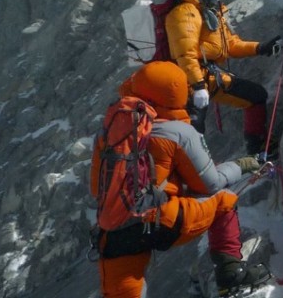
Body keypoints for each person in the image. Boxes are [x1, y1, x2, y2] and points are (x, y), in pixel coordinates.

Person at [91, 61, 270, 298]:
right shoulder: (178, 132)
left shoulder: (110, 130)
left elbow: (97, 188)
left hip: (113, 228)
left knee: (122, 293)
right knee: (223, 199)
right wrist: (243, 164)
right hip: (160, 220)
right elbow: (210, 184)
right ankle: (230, 274)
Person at [165, 0, 283, 158]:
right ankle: (189, 170)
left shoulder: (212, 13)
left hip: (209, 77)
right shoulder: (186, 11)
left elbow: (230, 45)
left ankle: (259, 150)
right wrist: (198, 86)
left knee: (255, 95)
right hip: (187, 81)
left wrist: (261, 47)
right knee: (194, 129)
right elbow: (185, 54)